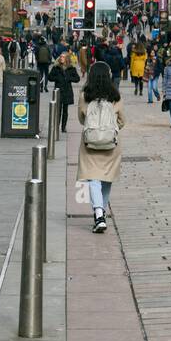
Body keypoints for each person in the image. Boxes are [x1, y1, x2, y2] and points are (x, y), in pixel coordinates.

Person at [78, 62, 125, 233]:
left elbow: (81, 119)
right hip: (111, 145)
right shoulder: (115, 96)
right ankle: (101, 213)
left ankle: (98, 214)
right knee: (106, 178)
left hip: (90, 144)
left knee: (93, 178)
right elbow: (122, 121)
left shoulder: (85, 95)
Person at [48, 52, 80, 133]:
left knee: (65, 110)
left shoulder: (71, 68)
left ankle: (63, 127)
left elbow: (77, 78)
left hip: (67, 91)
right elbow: (50, 77)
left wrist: (69, 78)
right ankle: (57, 126)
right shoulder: (56, 67)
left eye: (63, 57)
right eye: (61, 56)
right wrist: (57, 78)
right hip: (58, 90)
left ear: (67, 59)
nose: (61, 58)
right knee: (58, 110)